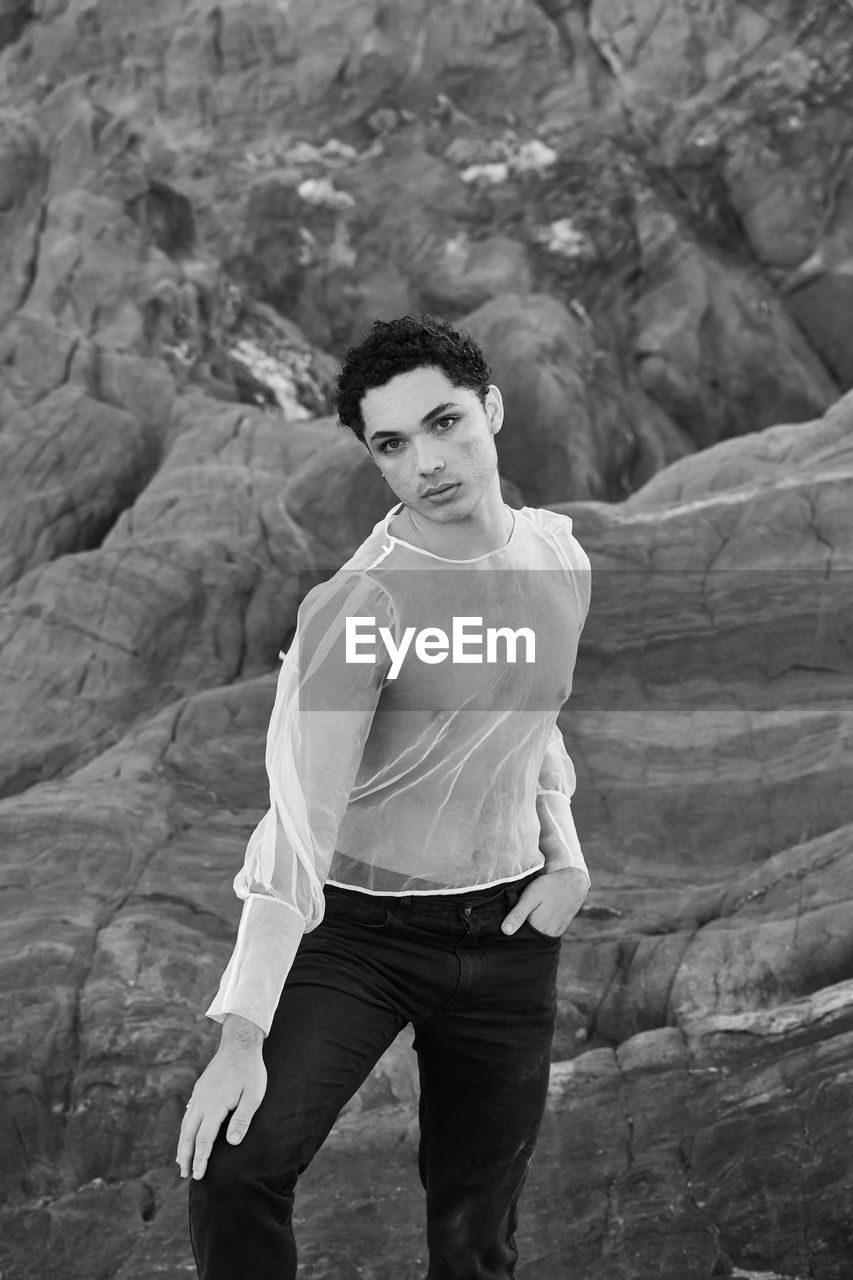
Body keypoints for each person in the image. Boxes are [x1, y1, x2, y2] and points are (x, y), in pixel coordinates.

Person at [178, 313, 593, 1279]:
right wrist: (242, 1035)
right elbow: (298, 819)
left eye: (445, 424)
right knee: (236, 1173)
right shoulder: (359, 609)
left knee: (473, 1236)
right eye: (392, 445)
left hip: (509, 937)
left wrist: (566, 857)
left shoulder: (559, 558)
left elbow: (533, 720)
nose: (428, 463)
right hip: (359, 936)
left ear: (490, 409)